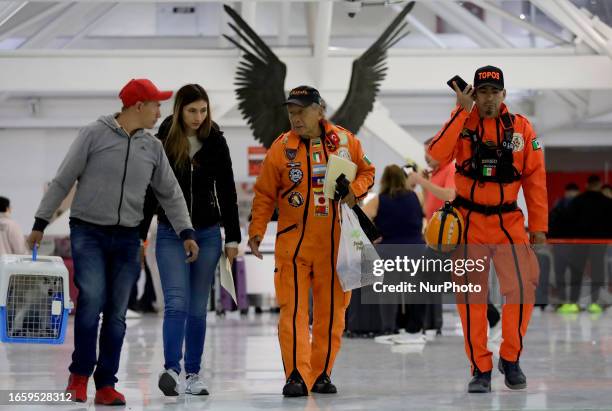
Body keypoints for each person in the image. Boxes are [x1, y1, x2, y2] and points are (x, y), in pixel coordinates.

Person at [26, 79, 199, 406]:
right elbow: (64, 178)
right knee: (92, 300)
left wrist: (186, 232)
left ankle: (106, 383)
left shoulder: (152, 147)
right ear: (138, 106)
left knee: (117, 313)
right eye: (156, 105)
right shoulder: (94, 133)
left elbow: (171, 193)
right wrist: (40, 222)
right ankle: (79, 376)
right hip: (88, 231)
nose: (160, 111)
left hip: (127, 236)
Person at [248, 86, 375, 397]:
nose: (295, 119)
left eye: (301, 112)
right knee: (292, 311)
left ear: (320, 110)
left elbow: (368, 172)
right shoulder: (281, 148)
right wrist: (256, 230)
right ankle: (295, 374)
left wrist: (355, 190)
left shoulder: (346, 141)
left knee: (332, 313)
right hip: (293, 244)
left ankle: (321, 374)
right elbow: (264, 194)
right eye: (291, 113)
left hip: (335, 244)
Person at [428, 66, 547, 393]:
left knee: (522, 291)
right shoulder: (463, 122)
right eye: (482, 92)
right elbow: (436, 154)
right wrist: (459, 111)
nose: (488, 98)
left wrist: (539, 226)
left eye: (495, 92)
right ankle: (480, 367)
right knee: (471, 299)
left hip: (509, 223)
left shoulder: (521, 128)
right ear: (473, 94)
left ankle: (511, 358)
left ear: (504, 94)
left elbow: (535, 179)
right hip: (468, 224)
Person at [140, 84, 241, 396]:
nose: (199, 117)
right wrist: (140, 234)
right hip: (170, 232)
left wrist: (233, 237)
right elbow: (149, 190)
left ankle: (193, 374)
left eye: (203, 110)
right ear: (179, 110)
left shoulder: (216, 141)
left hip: (209, 233)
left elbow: (227, 190)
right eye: (192, 110)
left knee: (198, 308)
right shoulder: (164, 140)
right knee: (175, 303)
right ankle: (171, 367)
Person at [362, 164, 426, 334]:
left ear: (384, 180)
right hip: (416, 250)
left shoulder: (378, 199)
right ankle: (415, 329)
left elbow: (362, 219)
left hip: (389, 251)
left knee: (389, 293)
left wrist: (374, 236)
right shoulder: (416, 197)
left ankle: (389, 328)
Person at [560, 175, 612, 314]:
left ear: (587, 184)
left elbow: (566, 221)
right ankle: (595, 303)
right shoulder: (607, 202)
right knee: (597, 272)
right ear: (600, 185)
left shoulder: (577, 201)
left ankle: (573, 303)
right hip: (599, 243)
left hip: (579, 242)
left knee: (576, 272)